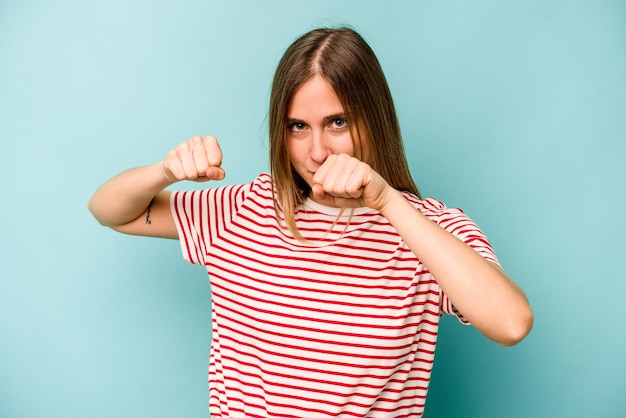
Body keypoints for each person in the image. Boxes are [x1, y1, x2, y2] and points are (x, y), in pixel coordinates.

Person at [88, 27, 533, 418]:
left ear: (374, 122)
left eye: (337, 122)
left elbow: (511, 323)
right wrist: (164, 172)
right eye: (298, 126)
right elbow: (108, 210)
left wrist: (388, 202)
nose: (316, 151)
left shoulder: (430, 231)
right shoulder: (243, 210)